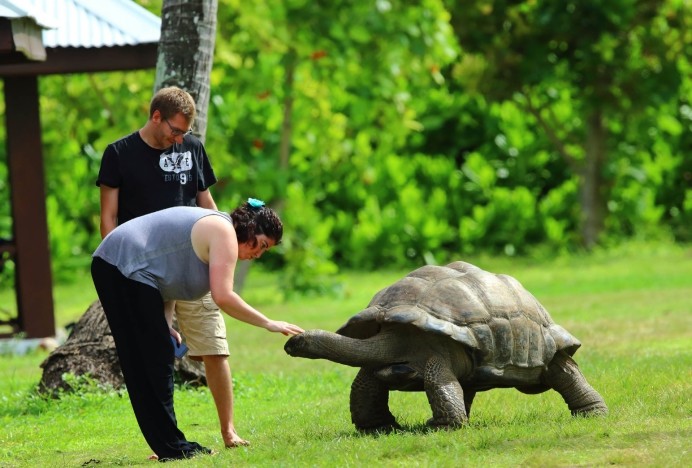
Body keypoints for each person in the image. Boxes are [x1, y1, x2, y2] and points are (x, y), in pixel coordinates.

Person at [91, 200, 304, 461]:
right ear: (249, 228)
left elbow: (166, 279)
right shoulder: (224, 231)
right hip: (120, 264)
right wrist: (268, 323)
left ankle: (167, 445)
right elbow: (223, 296)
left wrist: (164, 325)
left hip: (119, 266)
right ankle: (172, 446)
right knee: (152, 362)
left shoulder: (217, 233)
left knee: (152, 359)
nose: (257, 254)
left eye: (264, 251)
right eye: (259, 245)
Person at [96, 86, 243, 448]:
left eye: (184, 132)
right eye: (174, 130)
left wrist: (224, 246)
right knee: (158, 354)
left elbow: (206, 201)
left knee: (214, 345)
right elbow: (109, 219)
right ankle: (168, 438)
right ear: (156, 116)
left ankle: (228, 431)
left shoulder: (190, 148)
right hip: (146, 271)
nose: (178, 138)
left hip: (195, 261)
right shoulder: (119, 154)